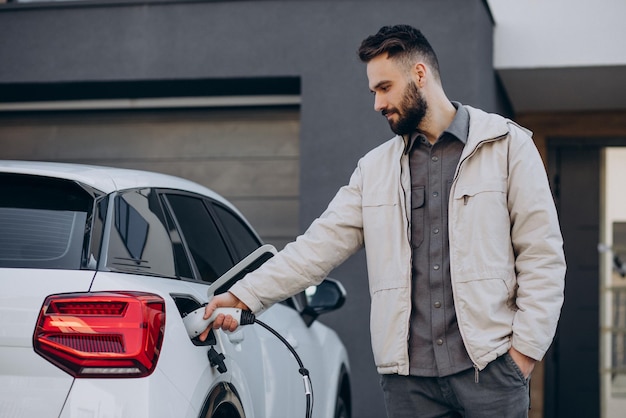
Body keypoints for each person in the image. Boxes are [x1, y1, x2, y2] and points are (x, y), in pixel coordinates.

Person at [200, 24, 566, 418]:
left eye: (385, 87)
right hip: (409, 386)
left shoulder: (508, 146)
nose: (377, 103)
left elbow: (542, 256)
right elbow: (315, 249)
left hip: (490, 373)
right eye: (374, 91)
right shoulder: (374, 170)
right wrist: (244, 294)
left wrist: (522, 355)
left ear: (420, 75)